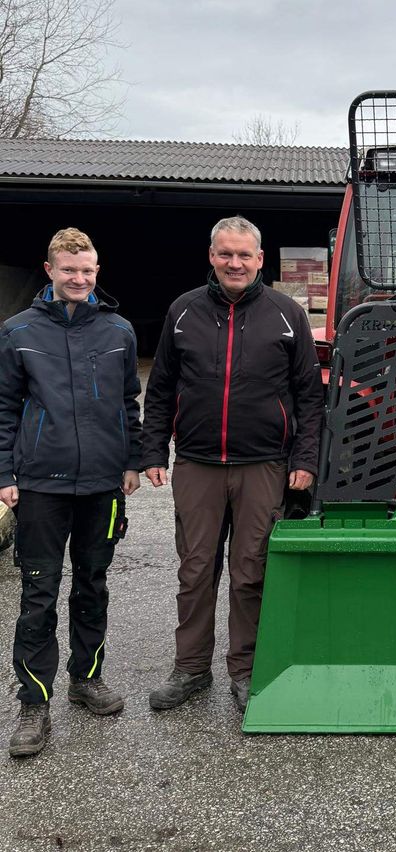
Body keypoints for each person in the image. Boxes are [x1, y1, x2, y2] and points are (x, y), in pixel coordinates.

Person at [142, 215, 323, 713]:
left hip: (264, 465)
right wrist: (153, 450)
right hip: (197, 463)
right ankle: (191, 669)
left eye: (244, 255)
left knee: (251, 572)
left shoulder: (288, 314)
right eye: (226, 253)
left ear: (260, 260)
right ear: (211, 256)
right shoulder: (183, 312)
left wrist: (304, 459)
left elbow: (310, 396)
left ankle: (245, 670)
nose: (235, 263)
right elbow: (159, 390)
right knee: (196, 570)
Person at [0, 228, 142, 758]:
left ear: (97, 271)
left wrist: (131, 462)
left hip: (104, 484)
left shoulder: (119, 331)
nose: (78, 278)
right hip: (40, 484)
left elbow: (130, 402)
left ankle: (87, 679)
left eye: (87, 270)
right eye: (68, 270)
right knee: (38, 593)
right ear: (50, 270)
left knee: (92, 585)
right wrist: (4, 474)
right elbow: (4, 409)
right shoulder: (18, 332)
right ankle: (34, 703)